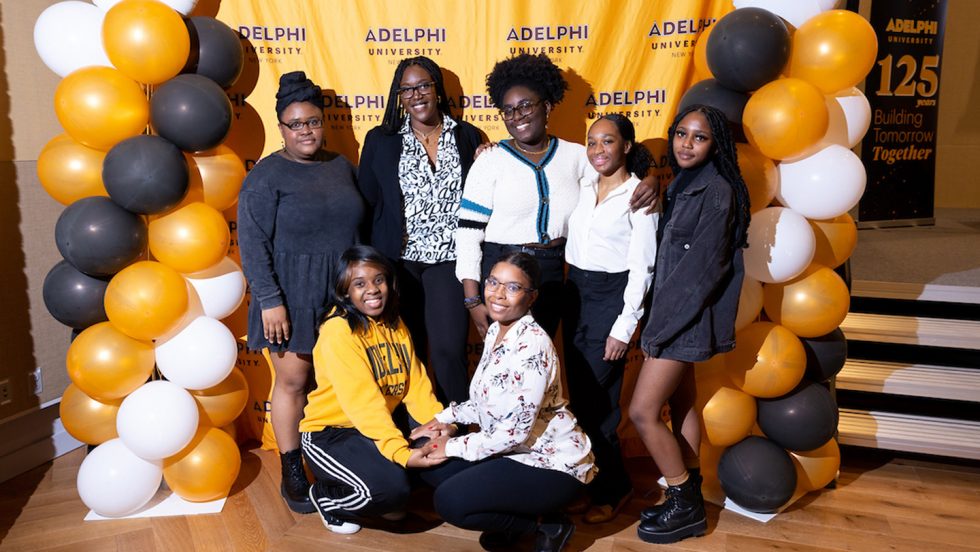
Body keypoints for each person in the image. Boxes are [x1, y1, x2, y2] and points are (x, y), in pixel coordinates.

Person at [456, 53, 657, 339]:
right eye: (509, 110)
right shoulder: (490, 160)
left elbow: (617, 174)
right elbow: (468, 234)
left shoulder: (576, 155)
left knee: (540, 359)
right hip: (501, 272)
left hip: (550, 272)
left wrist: (650, 179)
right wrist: (472, 299)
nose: (517, 116)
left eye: (525, 106)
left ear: (547, 107)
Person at [238, 71, 365, 514]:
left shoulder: (341, 166)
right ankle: (293, 474)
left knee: (342, 383)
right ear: (282, 128)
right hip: (289, 296)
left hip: (342, 294)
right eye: (296, 124)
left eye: (312, 121)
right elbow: (252, 245)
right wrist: (271, 300)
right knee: (293, 382)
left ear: (322, 122)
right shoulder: (266, 176)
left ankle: (336, 465)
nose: (306, 131)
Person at [412, 253, 596, 552]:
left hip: (550, 463)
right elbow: (487, 398)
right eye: (493, 282)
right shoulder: (497, 329)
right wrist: (447, 418)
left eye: (512, 287)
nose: (497, 294)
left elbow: (514, 433)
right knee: (429, 462)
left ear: (532, 296)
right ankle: (516, 516)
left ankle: (546, 525)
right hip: (510, 452)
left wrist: (454, 445)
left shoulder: (533, 346)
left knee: (450, 501)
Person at [628, 104, 750, 544]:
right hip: (676, 316)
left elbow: (701, 272)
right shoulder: (685, 182)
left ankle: (683, 501)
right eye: (681, 134)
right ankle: (692, 490)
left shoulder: (717, 191)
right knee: (682, 406)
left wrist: (658, 330)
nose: (686, 144)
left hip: (683, 320)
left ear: (715, 144)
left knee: (642, 411)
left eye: (698, 137)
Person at [358, 56, 484, 404]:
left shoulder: (467, 135)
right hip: (399, 264)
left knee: (448, 351)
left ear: (437, 90)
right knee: (404, 355)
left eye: (424, 85)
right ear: (399, 95)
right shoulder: (381, 141)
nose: (417, 94)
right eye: (408, 88)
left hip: (449, 261)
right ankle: (407, 435)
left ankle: (455, 428)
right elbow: (368, 202)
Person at [300, 245, 451, 534]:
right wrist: (401, 453)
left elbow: (416, 385)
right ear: (345, 292)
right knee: (388, 492)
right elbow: (364, 404)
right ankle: (328, 498)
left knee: (445, 455)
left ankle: (385, 482)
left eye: (378, 280)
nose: (373, 289)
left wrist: (439, 424)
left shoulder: (394, 322)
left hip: (374, 426)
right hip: (331, 434)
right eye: (359, 284)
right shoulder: (338, 331)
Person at [562, 114, 659, 524]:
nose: (599, 150)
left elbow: (644, 269)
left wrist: (624, 327)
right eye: (592, 142)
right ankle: (595, 483)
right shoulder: (583, 183)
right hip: (574, 296)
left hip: (610, 299)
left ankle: (613, 488)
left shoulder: (640, 197)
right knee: (585, 401)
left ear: (627, 147)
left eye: (608, 142)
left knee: (596, 402)